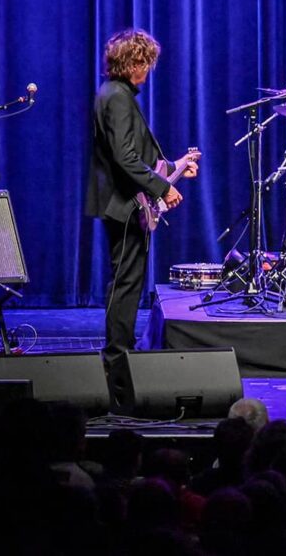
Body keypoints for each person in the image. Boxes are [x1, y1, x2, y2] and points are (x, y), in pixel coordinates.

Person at [85, 28, 200, 406]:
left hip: (124, 200)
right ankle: (117, 359)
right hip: (121, 204)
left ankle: (120, 354)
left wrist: (175, 167)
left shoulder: (114, 94)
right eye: (145, 63)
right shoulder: (117, 97)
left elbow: (135, 157)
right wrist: (162, 188)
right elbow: (124, 157)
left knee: (128, 281)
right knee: (126, 283)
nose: (148, 71)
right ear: (132, 62)